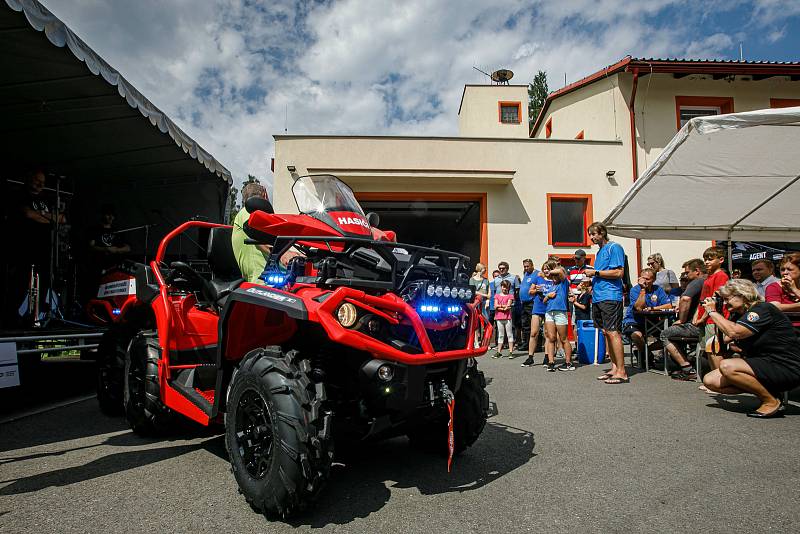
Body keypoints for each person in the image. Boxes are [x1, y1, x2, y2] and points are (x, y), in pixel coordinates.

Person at [702, 279, 800, 418]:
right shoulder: (739, 314)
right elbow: (725, 340)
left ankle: (770, 401)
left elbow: (736, 332)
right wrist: (719, 316)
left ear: (742, 295)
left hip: (786, 366)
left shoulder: (762, 309)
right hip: (765, 364)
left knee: (728, 367)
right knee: (711, 380)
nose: (725, 303)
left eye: (727, 299)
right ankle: (770, 393)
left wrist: (712, 312)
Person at [584, 222, 627, 384]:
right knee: (606, 332)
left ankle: (622, 371)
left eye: (594, 234)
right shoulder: (600, 251)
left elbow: (618, 272)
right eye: (590, 234)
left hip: (611, 296)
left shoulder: (614, 247)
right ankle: (615, 368)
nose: (592, 237)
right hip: (598, 296)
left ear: (602, 233)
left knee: (613, 331)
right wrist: (591, 280)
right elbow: (603, 274)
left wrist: (595, 272)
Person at [660, 258, 707, 380]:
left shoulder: (697, 282)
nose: (686, 276)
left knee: (665, 334)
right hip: (709, 323)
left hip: (697, 326)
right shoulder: (708, 280)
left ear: (696, 271)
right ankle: (684, 363)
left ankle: (687, 368)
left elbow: (685, 299)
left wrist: (681, 319)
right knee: (676, 333)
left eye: (687, 273)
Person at [621, 268, 672, 357]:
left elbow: (668, 305)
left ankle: (644, 352)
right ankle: (647, 357)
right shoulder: (635, 290)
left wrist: (653, 308)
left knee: (669, 338)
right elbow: (638, 308)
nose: (644, 281)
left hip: (652, 321)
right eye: (643, 278)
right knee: (636, 335)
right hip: (635, 320)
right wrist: (643, 290)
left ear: (654, 280)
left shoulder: (658, 289)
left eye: (647, 279)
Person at [695, 246, 730, 376]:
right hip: (705, 319)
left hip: (713, 318)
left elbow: (714, 299)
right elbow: (703, 299)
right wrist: (696, 315)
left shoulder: (721, 276)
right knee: (708, 350)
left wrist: (703, 318)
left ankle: (720, 379)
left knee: (714, 350)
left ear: (721, 260)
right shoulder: (710, 276)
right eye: (705, 259)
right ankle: (714, 379)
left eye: (710, 259)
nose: (707, 262)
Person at [232, 182, 272, 284]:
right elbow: (260, 239)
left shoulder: (245, 215)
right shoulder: (249, 212)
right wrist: (285, 255)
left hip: (269, 273)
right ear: (264, 195)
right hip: (261, 278)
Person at [542, 260, 574, 372]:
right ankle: (551, 362)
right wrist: (548, 296)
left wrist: (551, 269)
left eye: (554, 275)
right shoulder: (551, 285)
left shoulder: (563, 282)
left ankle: (568, 362)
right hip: (549, 312)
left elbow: (560, 271)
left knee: (563, 338)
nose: (553, 276)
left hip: (560, 312)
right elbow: (545, 300)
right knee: (551, 338)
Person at [521, 260, 550, 367]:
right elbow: (530, 291)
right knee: (533, 333)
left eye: (548, 268)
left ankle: (547, 357)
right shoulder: (538, 278)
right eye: (545, 268)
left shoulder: (554, 280)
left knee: (547, 334)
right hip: (538, 307)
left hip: (548, 308)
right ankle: (530, 357)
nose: (546, 270)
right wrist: (536, 290)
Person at [490, 262, 521, 353]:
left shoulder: (513, 277)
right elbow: (495, 291)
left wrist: (511, 300)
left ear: (507, 268)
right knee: (499, 326)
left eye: (503, 268)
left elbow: (517, 290)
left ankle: (512, 344)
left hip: (510, 304)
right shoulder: (496, 279)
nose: (501, 270)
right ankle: (500, 345)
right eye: (500, 268)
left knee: (512, 326)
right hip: (499, 305)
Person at [88, 205, 131, 270]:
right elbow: (90, 247)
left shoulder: (117, 231)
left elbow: (128, 248)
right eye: (108, 215)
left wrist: (117, 250)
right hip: (99, 265)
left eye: (112, 215)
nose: (111, 217)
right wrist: (106, 249)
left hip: (115, 266)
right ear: (102, 215)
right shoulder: (94, 230)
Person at [765, 252, 800, 328]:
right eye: (782, 269)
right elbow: (774, 307)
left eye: (789, 269)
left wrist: (794, 289)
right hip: (785, 328)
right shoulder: (773, 287)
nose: (785, 273)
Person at [518, 259, 538, 352]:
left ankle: (537, 345)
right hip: (524, 303)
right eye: (524, 266)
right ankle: (526, 343)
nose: (526, 268)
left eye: (527, 266)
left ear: (532, 265)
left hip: (532, 302)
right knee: (525, 324)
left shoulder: (537, 274)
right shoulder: (525, 274)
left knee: (533, 324)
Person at [469, 263, 490, 347]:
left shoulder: (486, 280)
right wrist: (485, 295)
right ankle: (476, 341)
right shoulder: (472, 279)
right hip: (475, 302)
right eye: (484, 268)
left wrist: (488, 299)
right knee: (476, 322)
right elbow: (473, 291)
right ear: (480, 269)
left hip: (484, 303)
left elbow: (489, 291)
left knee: (486, 321)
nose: (485, 270)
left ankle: (485, 341)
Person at [492, 280, 515, 358]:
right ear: (501, 287)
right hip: (499, 317)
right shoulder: (497, 296)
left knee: (509, 334)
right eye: (503, 286)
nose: (505, 288)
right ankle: (499, 352)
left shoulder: (510, 296)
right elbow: (495, 306)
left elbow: (508, 306)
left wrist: (500, 306)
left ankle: (511, 352)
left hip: (507, 318)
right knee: (500, 335)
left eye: (506, 287)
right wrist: (502, 307)